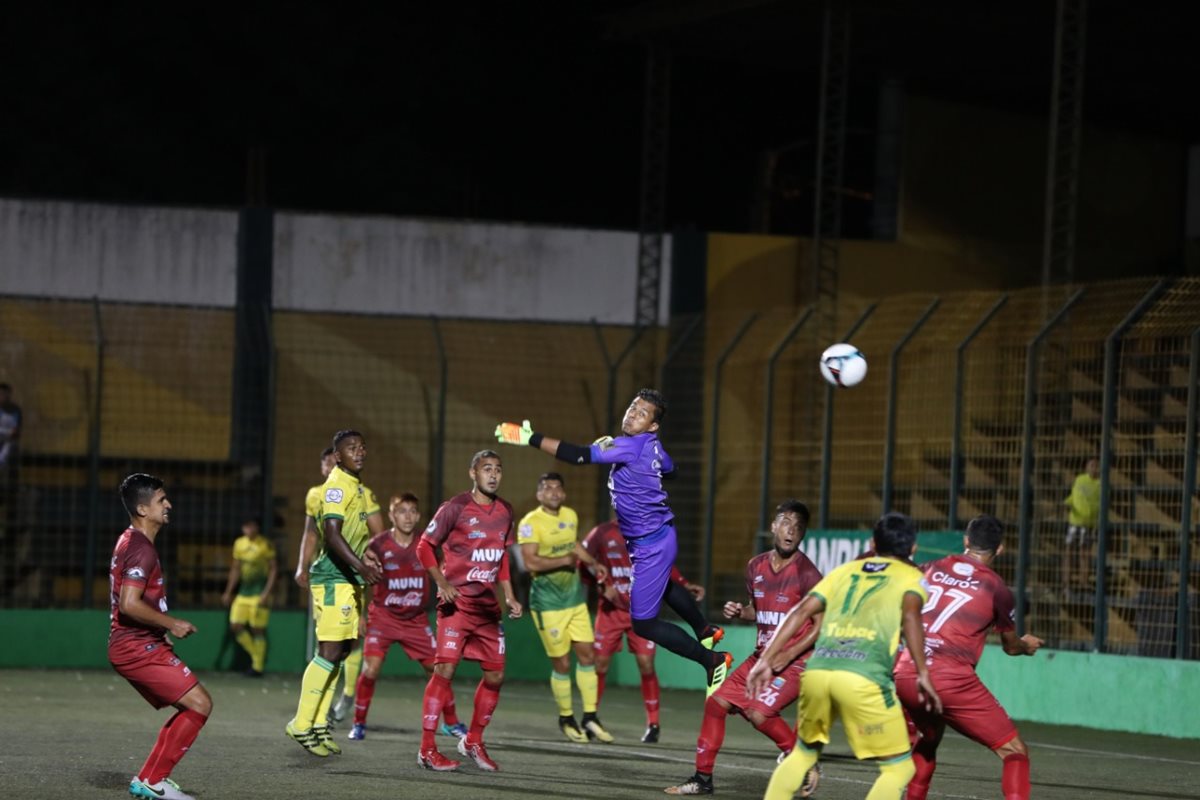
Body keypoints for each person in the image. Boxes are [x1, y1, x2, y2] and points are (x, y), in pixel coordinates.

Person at [495, 389, 730, 695]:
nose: (633, 414)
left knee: (644, 624)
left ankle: (711, 660)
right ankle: (705, 629)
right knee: (664, 587)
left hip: (651, 546)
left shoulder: (629, 447)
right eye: (633, 407)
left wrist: (531, 438)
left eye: (642, 413)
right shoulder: (652, 446)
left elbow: (578, 456)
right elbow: (671, 470)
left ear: (653, 425)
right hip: (659, 535)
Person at [748, 512, 942, 800]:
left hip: (817, 673)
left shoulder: (843, 571)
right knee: (898, 770)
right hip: (863, 678)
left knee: (802, 755)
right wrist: (923, 674)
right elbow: (912, 616)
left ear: (873, 543)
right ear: (913, 548)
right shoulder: (913, 576)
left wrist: (765, 660)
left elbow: (801, 611)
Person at [666, 500, 824, 796]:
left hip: (797, 661)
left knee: (759, 713)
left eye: (799, 527)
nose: (792, 531)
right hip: (762, 657)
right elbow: (758, 610)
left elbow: (821, 625)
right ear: (774, 526)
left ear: (803, 535)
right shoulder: (756, 566)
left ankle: (803, 760)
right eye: (786, 522)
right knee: (716, 704)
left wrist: (790, 654)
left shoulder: (808, 574)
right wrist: (741, 611)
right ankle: (702, 779)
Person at [894, 514, 1044, 800]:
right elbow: (1010, 647)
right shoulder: (997, 588)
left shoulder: (928, 567)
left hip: (905, 673)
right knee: (1014, 752)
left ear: (965, 541)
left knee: (928, 739)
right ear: (1000, 549)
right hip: (948, 679)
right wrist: (1026, 645)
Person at [415, 450, 523, 772]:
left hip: (487, 608)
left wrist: (510, 595)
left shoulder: (506, 511)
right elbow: (424, 546)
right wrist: (441, 582)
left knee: (496, 674)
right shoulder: (455, 507)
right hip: (456, 603)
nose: (493, 475)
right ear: (472, 473)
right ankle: (427, 749)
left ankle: (473, 740)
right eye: (486, 469)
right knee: (444, 671)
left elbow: (502, 556)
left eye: (498, 469)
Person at [110, 473, 212, 800]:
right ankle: (154, 781)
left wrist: (157, 630)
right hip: (135, 646)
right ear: (143, 509)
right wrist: (170, 623)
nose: (168, 505)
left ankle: (149, 780)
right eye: (161, 500)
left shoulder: (130, 541)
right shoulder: (142, 550)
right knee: (199, 704)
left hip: (138, 642)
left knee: (191, 705)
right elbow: (129, 604)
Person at [285, 430, 384, 758]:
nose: (360, 452)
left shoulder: (354, 485)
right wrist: (362, 565)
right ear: (337, 456)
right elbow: (331, 533)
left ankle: (317, 725)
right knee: (328, 652)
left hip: (348, 580)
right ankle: (301, 722)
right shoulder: (337, 486)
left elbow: (357, 535)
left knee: (341, 653)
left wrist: (365, 558)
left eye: (362, 447)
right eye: (351, 448)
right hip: (333, 579)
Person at [348, 493, 467, 741]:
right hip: (383, 618)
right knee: (371, 670)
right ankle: (358, 723)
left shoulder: (426, 545)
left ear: (419, 515)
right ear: (391, 515)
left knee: (440, 670)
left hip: (415, 621)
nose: (408, 516)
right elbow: (360, 582)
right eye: (402, 511)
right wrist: (359, 614)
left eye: (413, 511)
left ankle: (452, 722)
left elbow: (446, 569)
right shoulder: (378, 546)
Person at [582, 519, 705, 743]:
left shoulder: (645, 530)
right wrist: (601, 585)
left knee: (646, 664)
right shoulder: (601, 532)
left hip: (642, 608)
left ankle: (653, 724)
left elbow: (662, 562)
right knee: (599, 663)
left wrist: (685, 584)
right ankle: (591, 717)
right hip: (611, 611)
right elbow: (584, 559)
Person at [517, 472, 612, 743]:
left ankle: (590, 717)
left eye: (558, 488)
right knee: (562, 664)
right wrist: (565, 560)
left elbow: (574, 546)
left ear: (564, 493)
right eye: (547, 488)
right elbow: (531, 563)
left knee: (588, 657)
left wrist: (593, 563)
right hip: (547, 605)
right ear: (539, 495)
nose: (554, 492)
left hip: (574, 600)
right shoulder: (530, 523)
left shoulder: (569, 515)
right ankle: (566, 717)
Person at [220, 518, 277, 677]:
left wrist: (266, 592)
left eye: (251, 526)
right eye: (246, 526)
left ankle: (257, 667)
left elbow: (273, 570)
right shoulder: (239, 544)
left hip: (259, 593)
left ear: (257, 527)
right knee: (235, 626)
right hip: (243, 593)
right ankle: (256, 657)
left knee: (257, 629)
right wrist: (228, 591)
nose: (248, 529)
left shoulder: (265, 545)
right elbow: (236, 569)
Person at [293, 446, 337, 589]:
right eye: (327, 462)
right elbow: (311, 534)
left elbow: (376, 531)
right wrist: (302, 566)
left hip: (350, 568)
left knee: (349, 610)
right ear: (322, 468)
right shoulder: (314, 495)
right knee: (320, 611)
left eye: (336, 462)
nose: (331, 466)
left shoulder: (359, 492)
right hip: (321, 568)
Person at [1063, 457, 1100, 590]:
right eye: (1091, 465)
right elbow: (1074, 496)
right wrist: (1067, 503)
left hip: (1088, 524)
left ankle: (1084, 582)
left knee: (1085, 553)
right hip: (1074, 522)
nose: (1094, 468)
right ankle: (1066, 582)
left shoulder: (1101, 484)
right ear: (1086, 467)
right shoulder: (1079, 480)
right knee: (1069, 552)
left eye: (1096, 466)